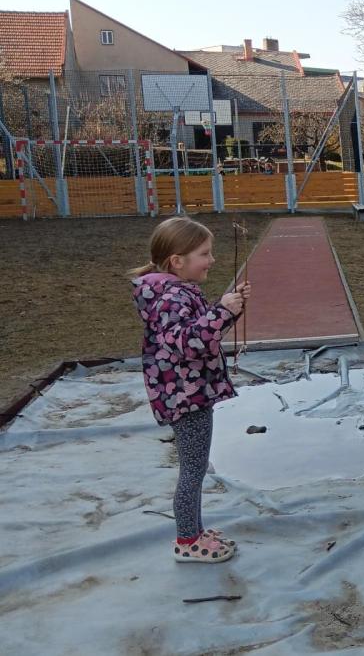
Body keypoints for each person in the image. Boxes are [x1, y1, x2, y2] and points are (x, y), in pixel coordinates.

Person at [130, 217, 249, 564]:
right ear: (177, 261)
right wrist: (222, 311)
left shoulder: (177, 291)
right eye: (204, 254)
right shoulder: (170, 298)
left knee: (194, 468)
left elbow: (199, 332)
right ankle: (187, 541)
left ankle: (195, 531)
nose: (212, 260)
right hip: (185, 396)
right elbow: (188, 343)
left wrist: (228, 311)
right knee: (193, 471)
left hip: (189, 392)